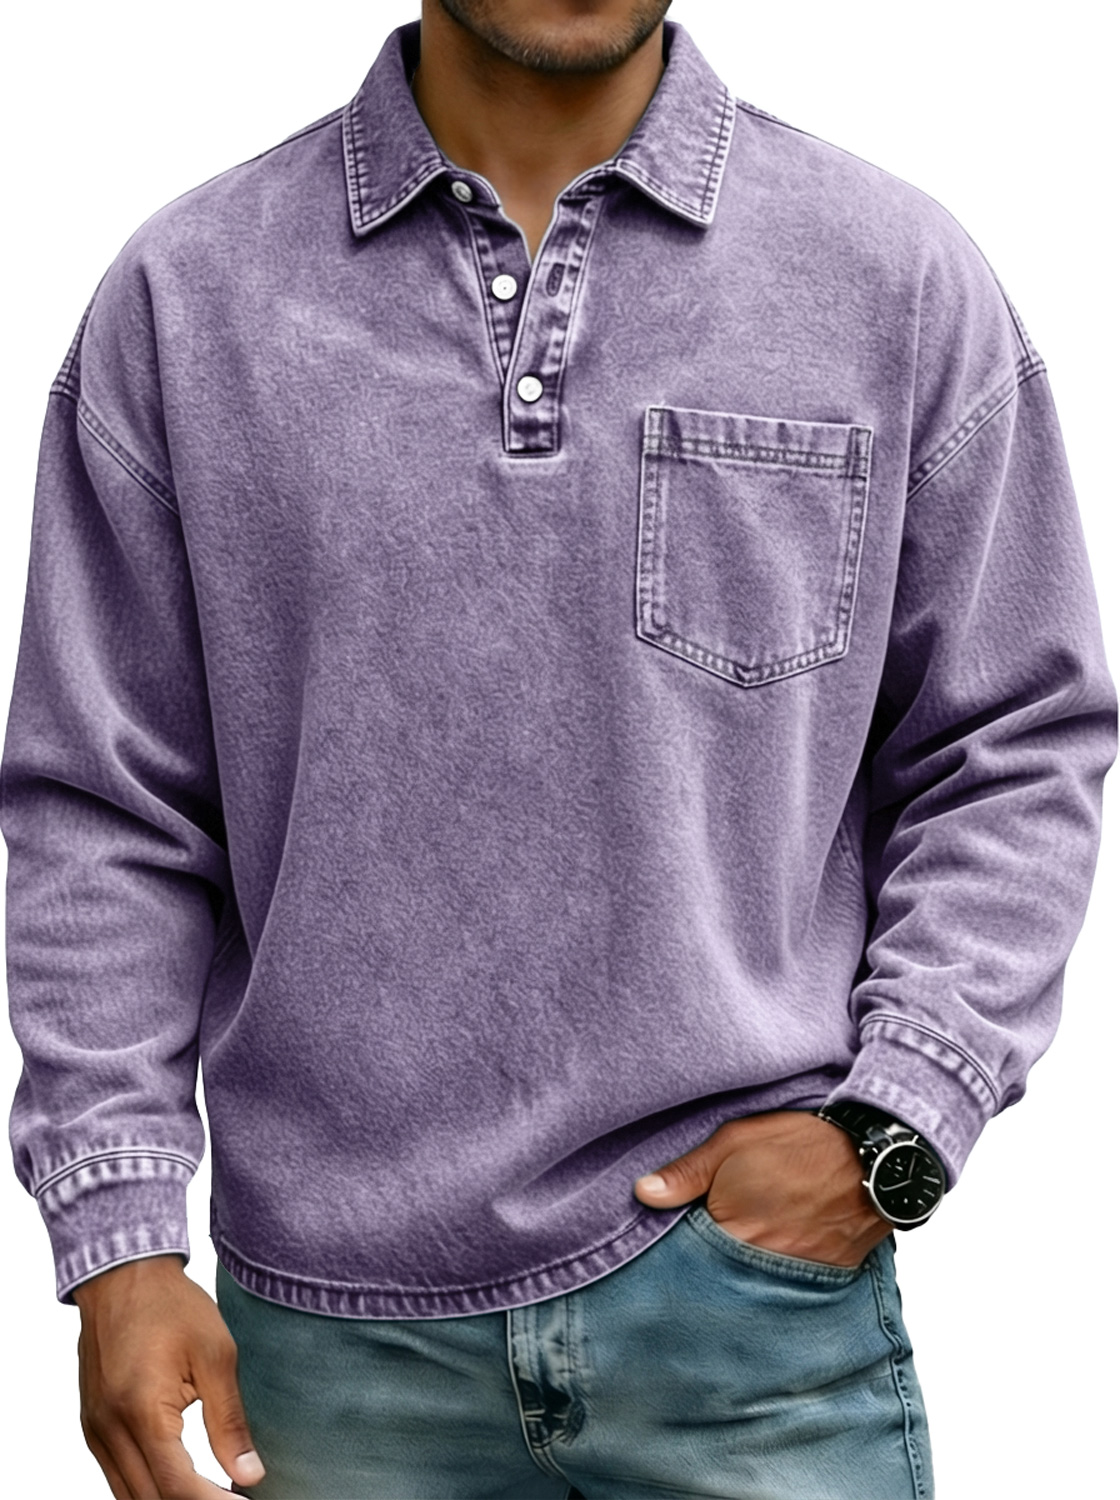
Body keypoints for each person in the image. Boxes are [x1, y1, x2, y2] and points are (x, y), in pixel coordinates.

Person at [2, 1, 1115, 1496]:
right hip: (330, 1346)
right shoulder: (187, 297)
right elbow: (104, 807)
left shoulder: (892, 276)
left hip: (749, 1327)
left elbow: (1015, 740)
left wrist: (897, 1123)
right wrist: (119, 1236)